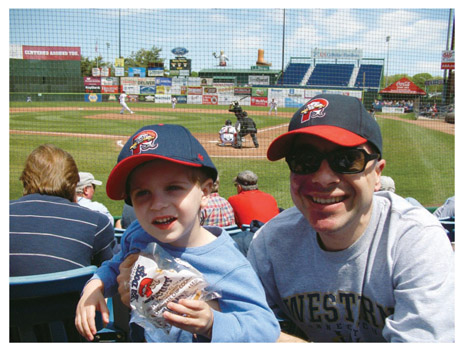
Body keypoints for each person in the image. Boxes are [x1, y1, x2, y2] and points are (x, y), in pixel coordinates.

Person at [247, 94, 454, 342]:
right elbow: (248, 328)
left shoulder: (417, 240)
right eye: (304, 160)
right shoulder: (270, 243)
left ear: (377, 175)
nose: (323, 178)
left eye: (346, 159)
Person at [75, 124, 280, 342]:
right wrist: (95, 286)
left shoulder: (228, 264)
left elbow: (265, 328)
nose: (158, 204)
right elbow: (115, 265)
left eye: (173, 188)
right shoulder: (138, 233)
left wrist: (212, 323)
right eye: (142, 192)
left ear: (205, 192)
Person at [10, 144, 114, 277]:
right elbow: (110, 277)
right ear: (73, 183)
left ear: (25, 179)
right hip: (71, 298)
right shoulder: (96, 223)